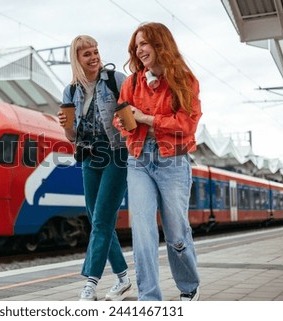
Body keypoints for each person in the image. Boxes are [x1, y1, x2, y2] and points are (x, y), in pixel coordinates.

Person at [114, 22, 202, 301]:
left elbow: (185, 126)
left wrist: (145, 119)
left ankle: (189, 287)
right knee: (142, 230)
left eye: (144, 44)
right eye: (136, 45)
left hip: (173, 161)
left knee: (176, 231)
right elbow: (120, 117)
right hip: (138, 159)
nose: (139, 50)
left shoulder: (185, 80)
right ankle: (149, 298)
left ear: (160, 44)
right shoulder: (132, 82)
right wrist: (127, 121)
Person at [57, 35, 132, 301]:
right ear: (77, 59)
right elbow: (71, 136)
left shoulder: (116, 80)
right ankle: (123, 278)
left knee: (101, 219)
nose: (94, 57)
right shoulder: (71, 91)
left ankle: (90, 282)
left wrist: (127, 120)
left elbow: (131, 120)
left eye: (96, 51)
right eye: (87, 53)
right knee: (98, 219)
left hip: (116, 153)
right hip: (89, 155)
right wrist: (66, 125)